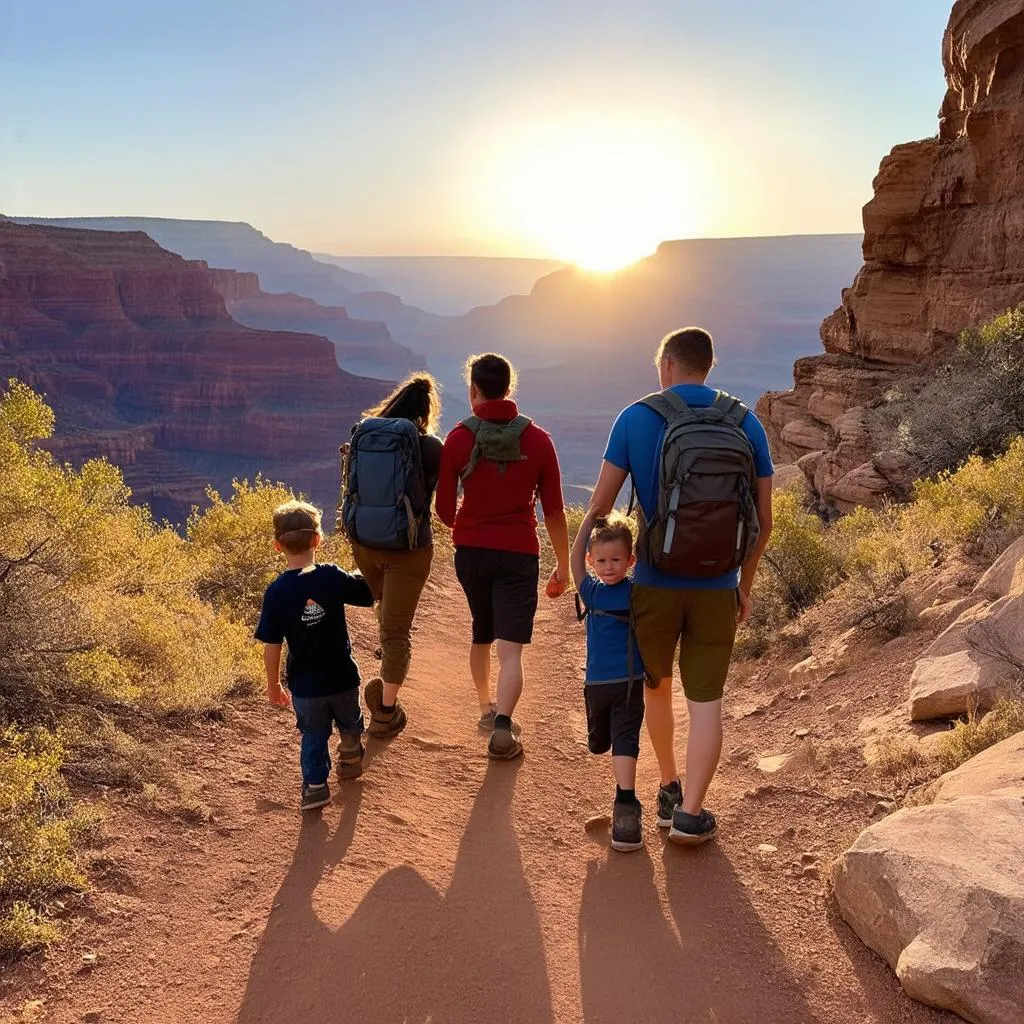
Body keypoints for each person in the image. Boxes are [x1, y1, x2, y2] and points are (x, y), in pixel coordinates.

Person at [582, 327, 774, 844]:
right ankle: (691, 812)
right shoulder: (745, 421)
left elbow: (601, 506)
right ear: (706, 366)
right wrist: (744, 584)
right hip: (718, 585)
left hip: (654, 584)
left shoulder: (635, 417)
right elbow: (764, 518)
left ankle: (667, 784)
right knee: (706, 702)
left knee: (657, 687)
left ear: (668, 364)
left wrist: (578, 563)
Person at [437, 352, 570, 760]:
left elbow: (443, 511)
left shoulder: (458, 439)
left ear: (473, 389)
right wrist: (564, 565)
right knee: (510, 649)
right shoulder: (538, 440)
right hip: (518, 554)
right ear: (510, 387)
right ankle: (503, 726)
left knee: (481, 629)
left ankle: (483, 707)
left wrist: (472, 518)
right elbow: (554, 510)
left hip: (472, 552)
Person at [255, 500, 375, 811]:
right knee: (351, 720)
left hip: (307, 689)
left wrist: (273, 685)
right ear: (318, 540)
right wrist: (367, 560)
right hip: (343, 677)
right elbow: (366, 593)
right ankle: (350, 750)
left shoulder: (276, 592)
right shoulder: (332, 577)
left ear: (277, 546)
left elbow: (273, 645)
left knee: (314, 735)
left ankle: (316, 787)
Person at [344, 375, 444, 738]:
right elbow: (445, 494)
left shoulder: (365, 435)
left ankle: (386, 666)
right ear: (425, 411)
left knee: (387, 613)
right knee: (397, 632)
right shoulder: (430, 446)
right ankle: (385, 712)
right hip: (408, 548)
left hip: (364, 543)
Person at [570, 511, 646, 852]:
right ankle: (625, 805)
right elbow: (574, 560)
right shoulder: (595, 591)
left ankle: (625, 809)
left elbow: (574, 560)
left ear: (630, 559)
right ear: (592, 560)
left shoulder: (634, 590)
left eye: (616, 559)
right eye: (601, 560)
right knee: (602, 743)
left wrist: (589, 520)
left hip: (628, 682)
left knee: (625, 740)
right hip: (600, 686)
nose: (609, 566)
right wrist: (588, 521)